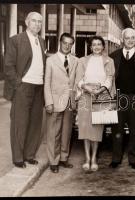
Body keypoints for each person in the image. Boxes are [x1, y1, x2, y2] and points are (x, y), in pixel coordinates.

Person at [3, 12, 46, 168]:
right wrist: (18, 84)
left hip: (38, 87)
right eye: (34, 21)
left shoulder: (41, 41)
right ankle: (18, 158)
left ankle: (29, 155)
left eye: (40, 22)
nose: (37, 24)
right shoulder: (16, 40)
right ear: (27, 22)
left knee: (35, 123)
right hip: (24, 86)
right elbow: (8, 66)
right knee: (20, 123)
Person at [74, 36, 116, 171]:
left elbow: (109, 79)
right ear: (90, 47)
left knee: (97, 129)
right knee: (85, 128)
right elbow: (78, 79)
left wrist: (100, 90)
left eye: (99, 44)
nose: (97, 47)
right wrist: (86, 88)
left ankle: (94, 159)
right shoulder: (82, 61)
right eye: (94, 44)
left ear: (103, 47)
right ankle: (87, 159)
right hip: (85, 96)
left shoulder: (109, 61)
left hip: (101, 96)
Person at [109, 28, 135, 169]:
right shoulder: (113, 56)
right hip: (118, 98)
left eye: (133, 38)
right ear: (122, 39)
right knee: (117, 129)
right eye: (127, 38)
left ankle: (133, 159)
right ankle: (116, 158)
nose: (130, 40)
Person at [44, 33, 78, 173]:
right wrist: (48, 102)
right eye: (65, 42)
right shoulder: (51, 60)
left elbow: (76, 81)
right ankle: (53, 161)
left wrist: (75, 98)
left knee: (66, 132)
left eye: (70, 43)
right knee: (54, 133)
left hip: (70, 101)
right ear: (60, 42)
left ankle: (63, 158)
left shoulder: (75, 60)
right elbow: (47, 83)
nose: (67, 46)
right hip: (55, 101)